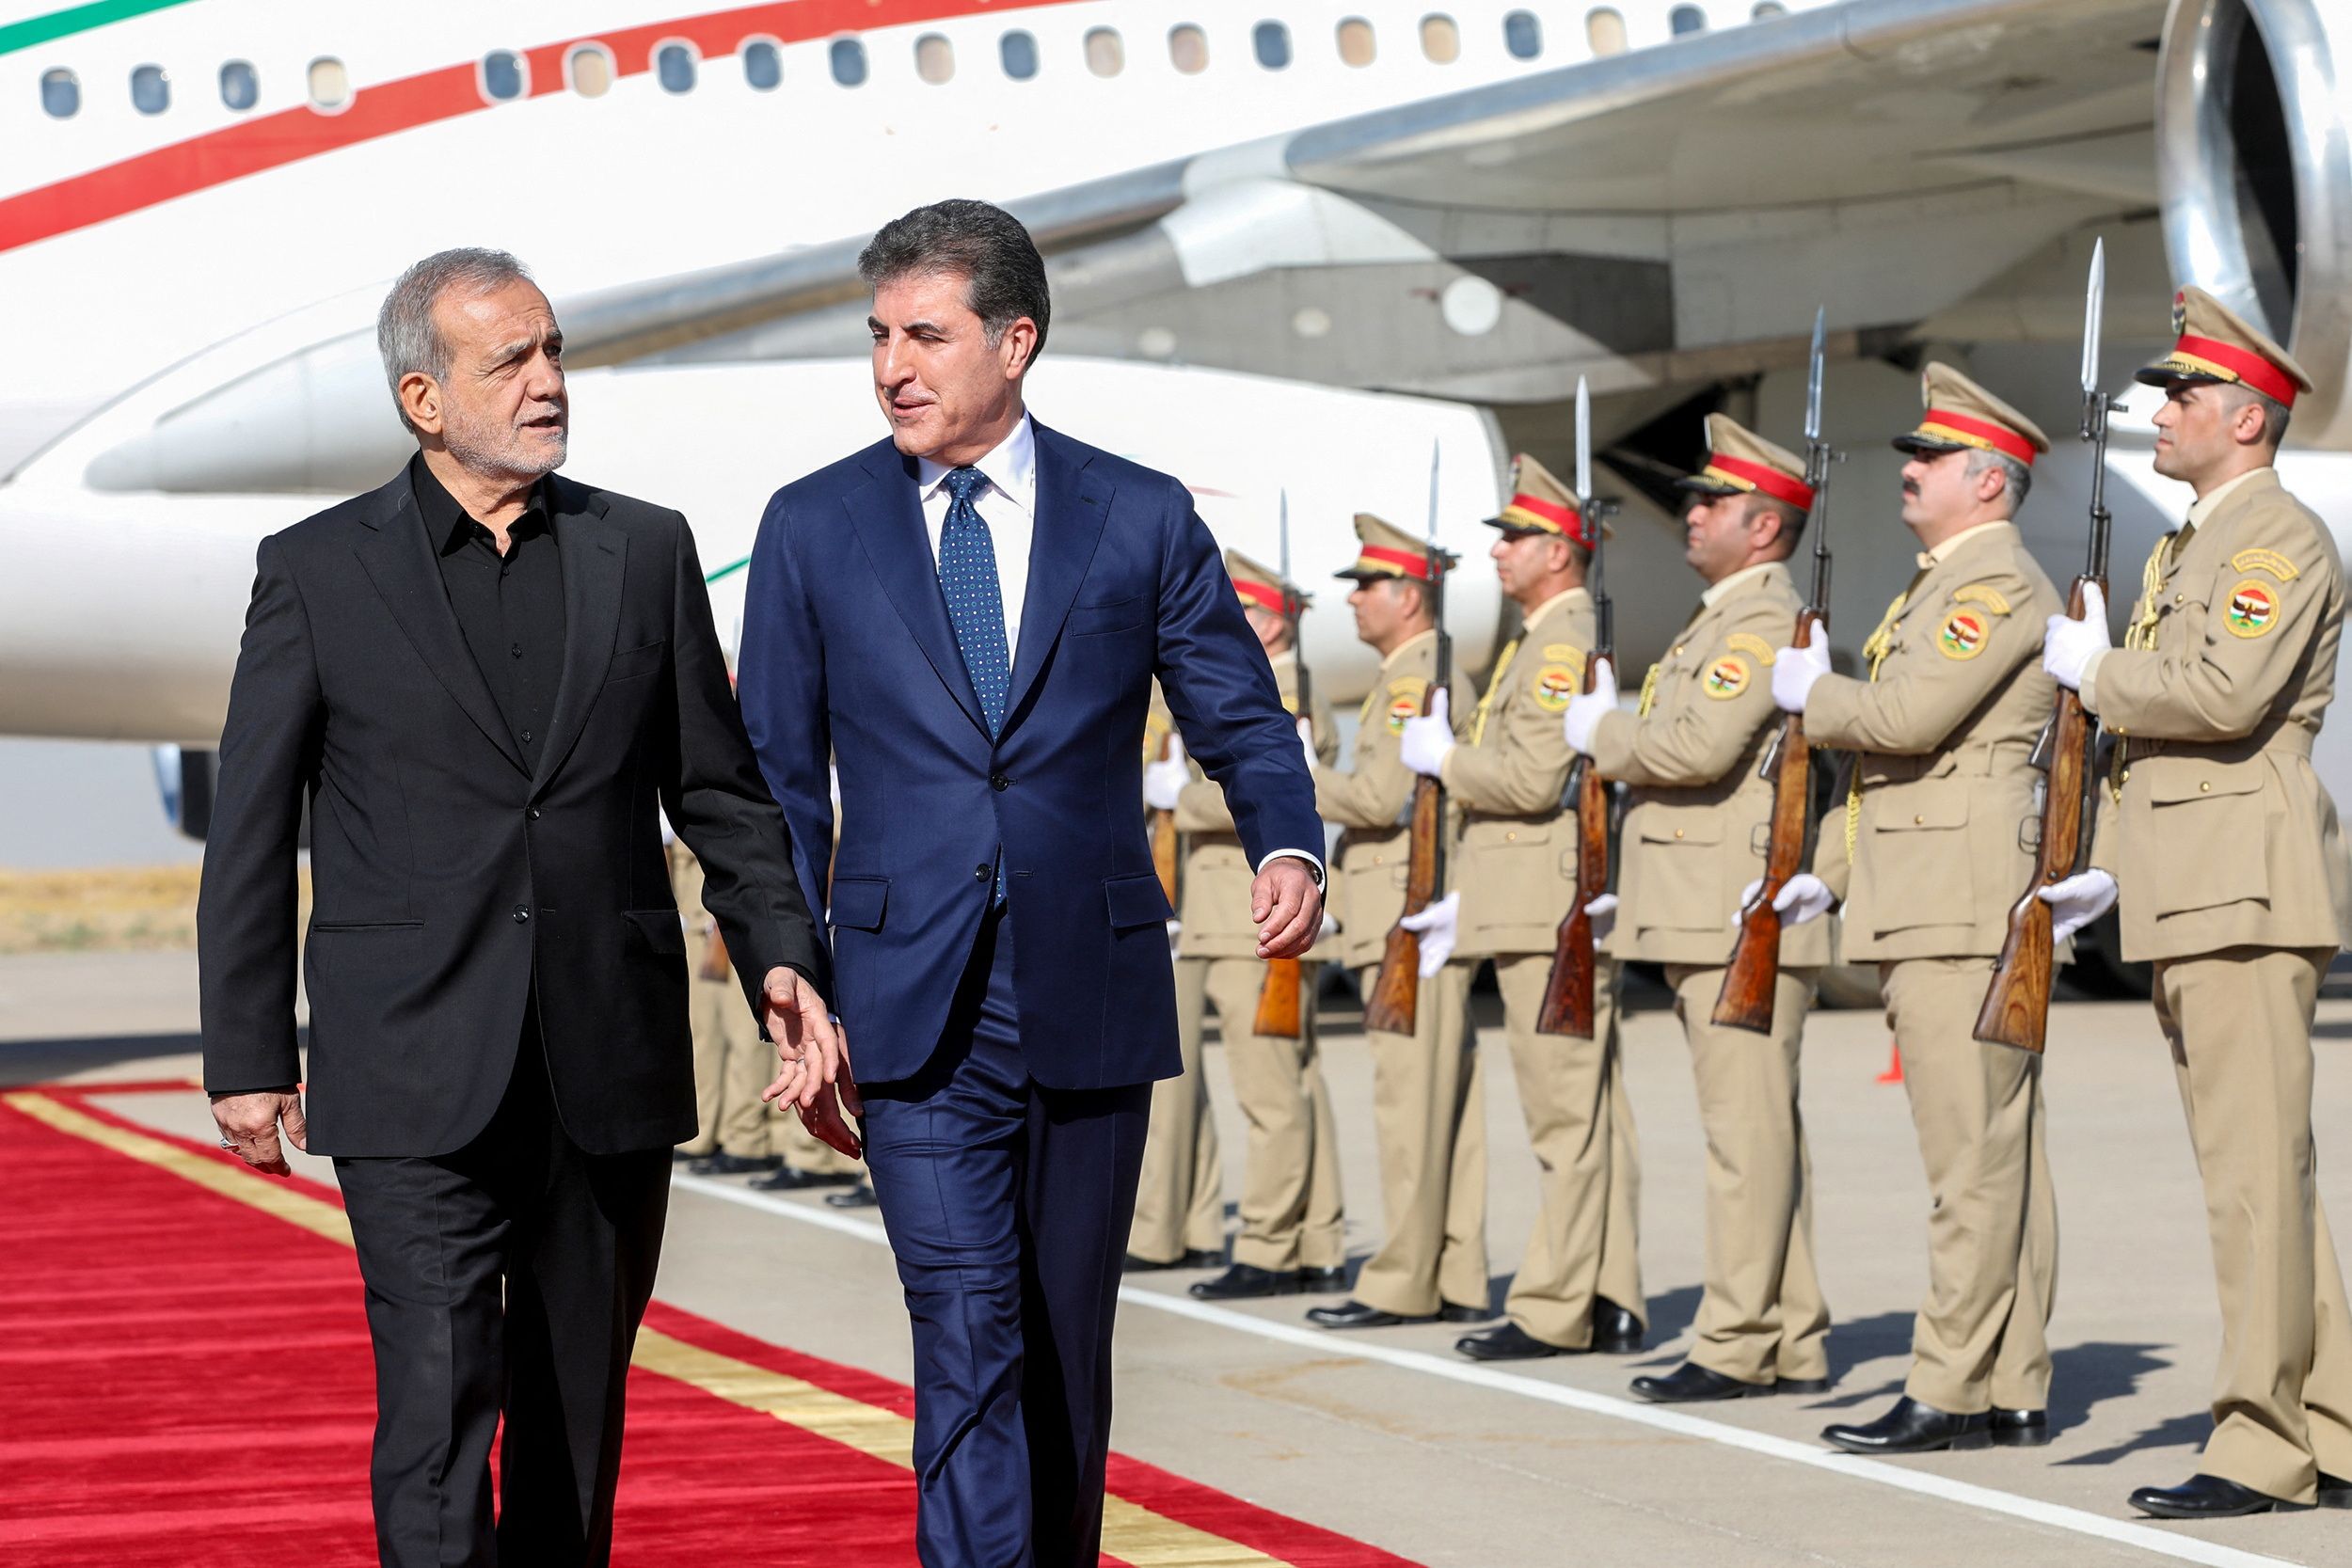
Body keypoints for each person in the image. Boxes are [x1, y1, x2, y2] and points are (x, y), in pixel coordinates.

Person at [199, 248, 843, 1568]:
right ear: (424, 397)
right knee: (435, 1414)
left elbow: (718, 787)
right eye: (514, 360)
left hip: (605, 1061)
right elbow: (253, 826)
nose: (550, 382)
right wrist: (250, 1052)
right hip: (412, 1064)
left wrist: (780, 954)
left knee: (575, 1423)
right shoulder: (318, 569)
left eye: (554, 350)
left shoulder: (644, 549)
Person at [737, 199, 1324, 1566]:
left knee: (1064, 1343)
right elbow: (772, 771)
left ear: (1016, 341)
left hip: (1088, 979)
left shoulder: (1139, 513)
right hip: (907, 998)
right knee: (965, 1324)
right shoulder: (814, 525)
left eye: (925, 335)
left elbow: (1237, 707)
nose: (894, 365)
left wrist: (1285, 835)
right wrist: (787, 959)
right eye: (878, 335)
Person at [2042, 287, 2352, 1518]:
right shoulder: (2195, 542)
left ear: (2245, 415)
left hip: (2242, 888)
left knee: (2251, 1176)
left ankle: (2259, 1445)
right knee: (2262, 1169)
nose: (2159, 411)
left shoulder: (2272, 537)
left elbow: (2221, 697)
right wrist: (2112, 858)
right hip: (2196, 882)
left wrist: (2100, 671)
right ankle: (2328, 1416)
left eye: (2182, 394)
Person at [1768, 367, 2061, 1453]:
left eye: (1930, 456)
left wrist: (1816, 695)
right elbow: (1903, 778)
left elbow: (1906, 718)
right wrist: (1833, 871)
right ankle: (2012, 1377)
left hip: (1958, 902)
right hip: (1929, 891)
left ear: (1987, 481)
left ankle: (1947, 1385)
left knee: (1967, 1162)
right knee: (1993, 1153)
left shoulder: (1991, 587)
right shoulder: (1939, 582)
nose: (1908, 467)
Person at [1564, 413, 1833, 1402]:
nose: (1691, 511)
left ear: (1762, 526)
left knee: (1743, 1139)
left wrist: (1604, 732)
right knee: (1756, 1133)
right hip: (1703, 905)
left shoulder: (1756, 621)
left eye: (1712, 500)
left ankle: (1735, 1338)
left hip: (1732, 908)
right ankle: (1790, 1335)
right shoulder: (1722, 615)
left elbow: (1691, 750)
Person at [1394, 456, 1644, 1361]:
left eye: (1518, 536)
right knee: (1587, 1111)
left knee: (1563, 1118)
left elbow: (1534, 780)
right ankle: (1611, 1293)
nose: (1498, 551)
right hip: (1528, 900)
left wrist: (1447, 760)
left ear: (1563, 551)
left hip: (1545, 907)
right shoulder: (1538, 636)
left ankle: (1553, 1305)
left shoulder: (1561, 639)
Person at [1304, 515, 1493, 1333]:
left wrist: (1299, 776)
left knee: (1409, 1101)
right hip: (1399, 911)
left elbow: (1381, 798)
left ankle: (1403, 1278)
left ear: (1410, 596)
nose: (1354, 600)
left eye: (1367, 585)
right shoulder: (1403, 675)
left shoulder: (1421, 678)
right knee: (1435, 1098)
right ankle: (1449, 1266)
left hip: (1408, 915)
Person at [1167, 551, 1350, 1300]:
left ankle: (1275, 1245)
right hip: (1209, 913)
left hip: (1260, 912)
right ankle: (1309, 1236)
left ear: (1271, 619)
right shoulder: (1230, 680)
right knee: (1252, 1081)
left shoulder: (1290, 695)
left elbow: (1267, 790)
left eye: (1241, 607)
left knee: (1270, 1087)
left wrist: (1182, 798)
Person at [1125, 685, 1229, 1272]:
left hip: (1183, 901)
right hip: (1165, 892)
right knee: (1182, 1081)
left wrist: (1181, 799)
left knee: (1165, 1077)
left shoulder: (1182, 697)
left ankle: (1161, 1228)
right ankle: (1199, 1222)